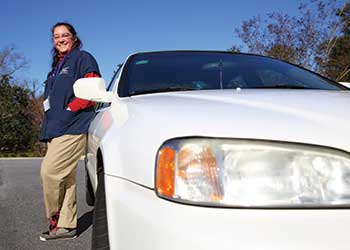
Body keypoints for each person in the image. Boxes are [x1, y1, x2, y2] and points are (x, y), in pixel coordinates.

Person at [39, 22, 100, 241]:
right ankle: (65, 226)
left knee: (50, 172)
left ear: (74, 37)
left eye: (65, 35)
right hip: (55, 128)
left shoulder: (82, 58)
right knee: (66, 179)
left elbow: (91, 88)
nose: (60, 39)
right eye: (56, 36)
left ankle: (54, 217)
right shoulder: (54, 68)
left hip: (73, 125)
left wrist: (69, 109)